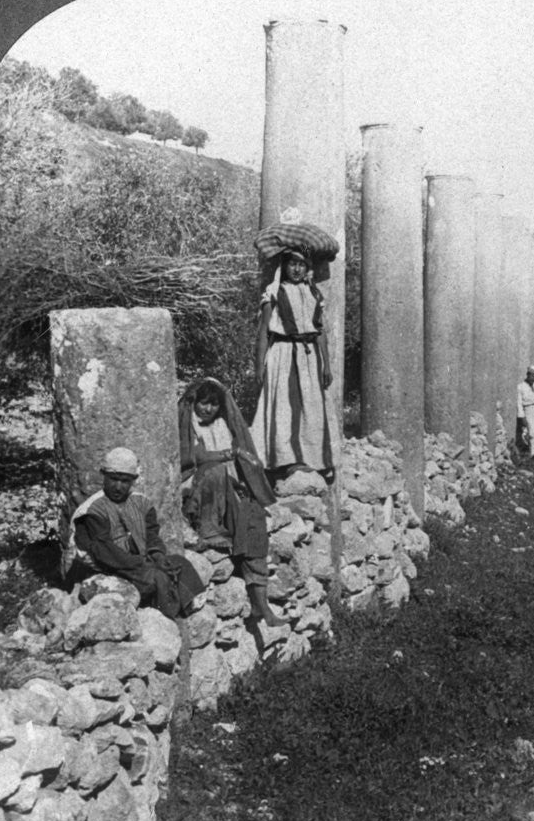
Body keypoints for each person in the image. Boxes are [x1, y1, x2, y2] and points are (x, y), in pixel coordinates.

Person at [178, 377, 287, 628]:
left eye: (214, 404)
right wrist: (234, 453)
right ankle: (210, 528)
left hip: (226, 489)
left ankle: (261, 604)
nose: (208, 409)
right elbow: (196, 457)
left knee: (253, 520)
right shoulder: (188, 424)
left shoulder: (222, 426)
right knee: (215, 471)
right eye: (204, 403)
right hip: (198, 489)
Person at [67, 447, 205, 619]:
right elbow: (105, 552)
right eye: (113, 479)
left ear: (133, 481)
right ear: (104, 476)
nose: (118, 486)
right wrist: (144, 564)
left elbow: (152, 535)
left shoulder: (141, 503)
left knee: (178, 562)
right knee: (157, 578)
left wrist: (158, 556)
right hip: (107, 567)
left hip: (136, 561)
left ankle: (186, 608)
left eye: (124, 481)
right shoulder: (93, 510)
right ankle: (167, 616)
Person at [249, 246, 334, 479]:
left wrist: (326, 364)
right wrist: (259, 366)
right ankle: (284, 458)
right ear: (284, 266)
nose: (296, 269)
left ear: (307, 268)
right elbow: (264, 331)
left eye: (301, 264)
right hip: (283, 354)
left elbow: (321, 331)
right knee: (284, 406)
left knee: (310, 405)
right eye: (292, 263)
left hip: (309, 356)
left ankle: (312, 457)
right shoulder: (274, 292)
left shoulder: (314, 294)